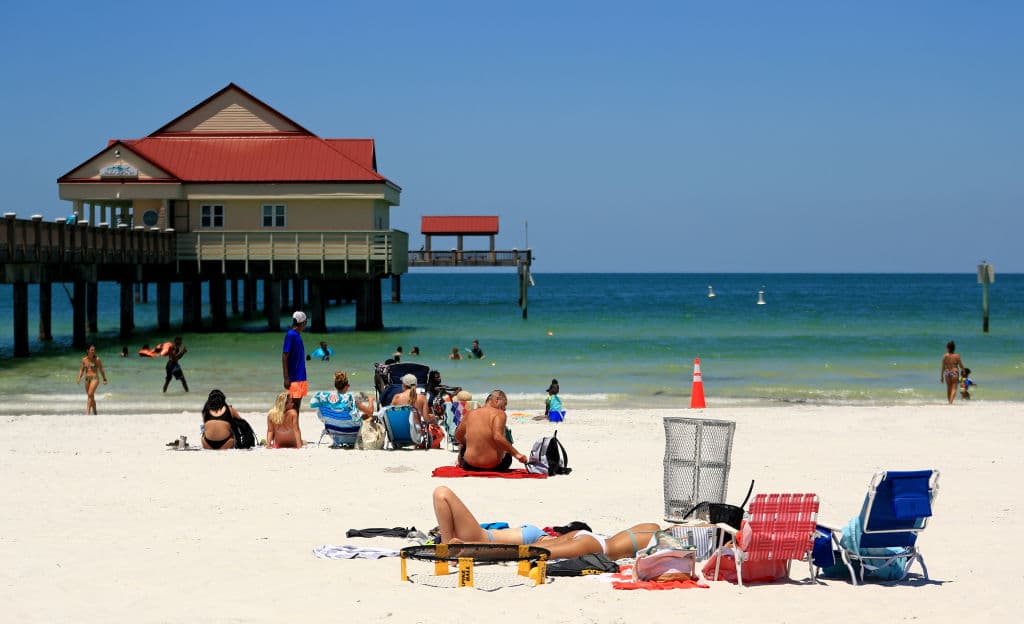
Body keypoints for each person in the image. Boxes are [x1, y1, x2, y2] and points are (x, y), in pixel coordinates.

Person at [432, 486, 661, 559]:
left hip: (481, 538)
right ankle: (448, 545)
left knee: (441, 493)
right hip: (479, 538)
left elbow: (523, 552)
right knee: (441, 493)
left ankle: (448, 546)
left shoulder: (555, 538)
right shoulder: (565, 538)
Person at [454, 389, 526, 472]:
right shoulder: (499, 413)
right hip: (495, 466)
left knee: (464, 447)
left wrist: (467, 444)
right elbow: (498, 437)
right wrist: (517, 454)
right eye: (504, 404)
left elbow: (458, 436)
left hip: (469, 465)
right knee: (508, 453)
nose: (505, 408)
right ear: (497, 400)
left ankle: (461, 460)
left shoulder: (470, 413)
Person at [282, 311, 309, 426]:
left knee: (297, 406)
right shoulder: (291, 335)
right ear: (302, 322)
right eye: (305, 321)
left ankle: (294, 431)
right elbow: (284, 356)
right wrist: (286, 377)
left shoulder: (297, 335)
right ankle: (291, 431)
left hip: (301, 376)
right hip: (295, 378)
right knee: (292, 406)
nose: (306, 324)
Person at [76, 344, 108, 415]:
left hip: (95, 378)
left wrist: (104, 378)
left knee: (90, 394)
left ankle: (87, 413)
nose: (93, 351)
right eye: (92, 350)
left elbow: (101, 369)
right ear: (88, 351)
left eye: (94, 350)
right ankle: (95, 413)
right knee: (91, 396)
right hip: (87, 379)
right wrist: (79, 378)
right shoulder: (84, 360)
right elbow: (81, 370)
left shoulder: (97, 359)